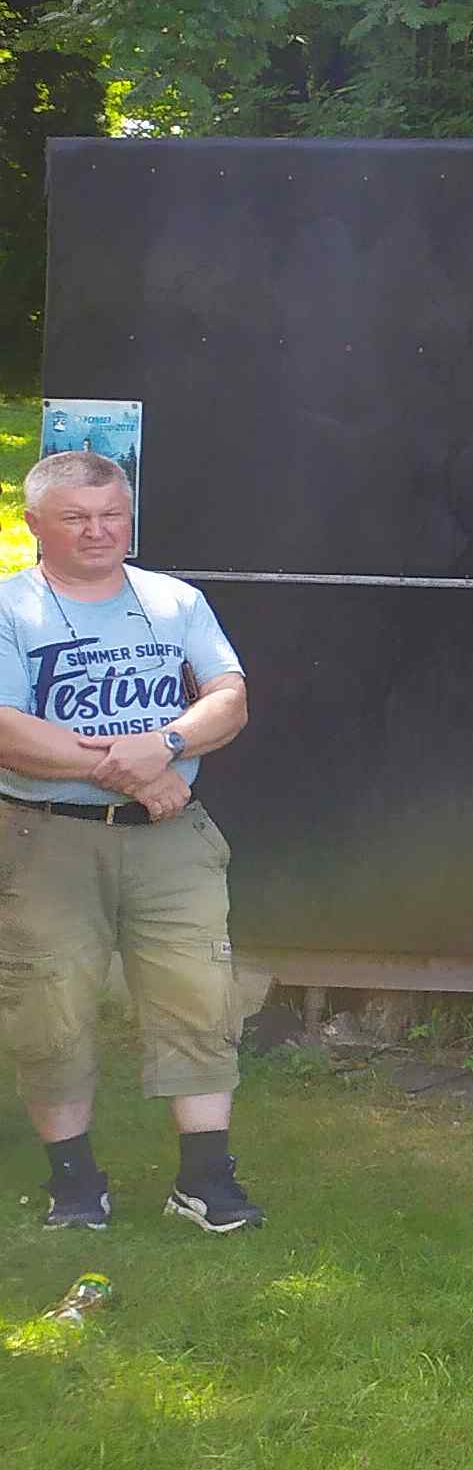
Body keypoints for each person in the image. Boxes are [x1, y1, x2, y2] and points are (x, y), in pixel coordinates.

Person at [3, 452, 259, 1233]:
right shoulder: (11, 608)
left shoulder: (174, 600)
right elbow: (8, 732)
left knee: (199, 998)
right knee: (49, 1008)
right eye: (76, 517)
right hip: (46, 840)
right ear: (34, 523)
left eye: (112, 513)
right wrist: (142, 770)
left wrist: (167, 743)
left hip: (173, 841)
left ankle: (205, 1183)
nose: (98, 530)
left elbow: (229, 699)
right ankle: (75, 1187)